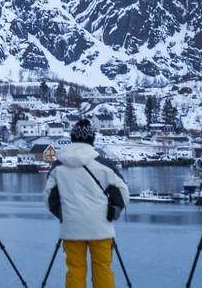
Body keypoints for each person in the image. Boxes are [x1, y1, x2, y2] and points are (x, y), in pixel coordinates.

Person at [43, 119, 129, 288]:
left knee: (75, 269)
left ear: (73, 138)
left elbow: (49, 197)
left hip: (72, 226)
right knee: (102, 268)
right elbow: (122, 192)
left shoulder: (58, 165)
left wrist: (63, 214)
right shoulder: (105, 165)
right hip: (101, 227)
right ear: (92, 139)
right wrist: (114, 211)